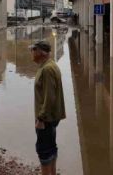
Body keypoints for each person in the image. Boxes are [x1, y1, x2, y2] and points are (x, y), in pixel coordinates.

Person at [30, 40, 66, 175]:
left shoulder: (46, 70)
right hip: (51, 117)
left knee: (43, 150)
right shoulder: (51, 66)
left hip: (46, 118)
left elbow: (49, 97)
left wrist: (40, 118)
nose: (31, 53)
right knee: (51, 147)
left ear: (40, 52)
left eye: (33, 50)